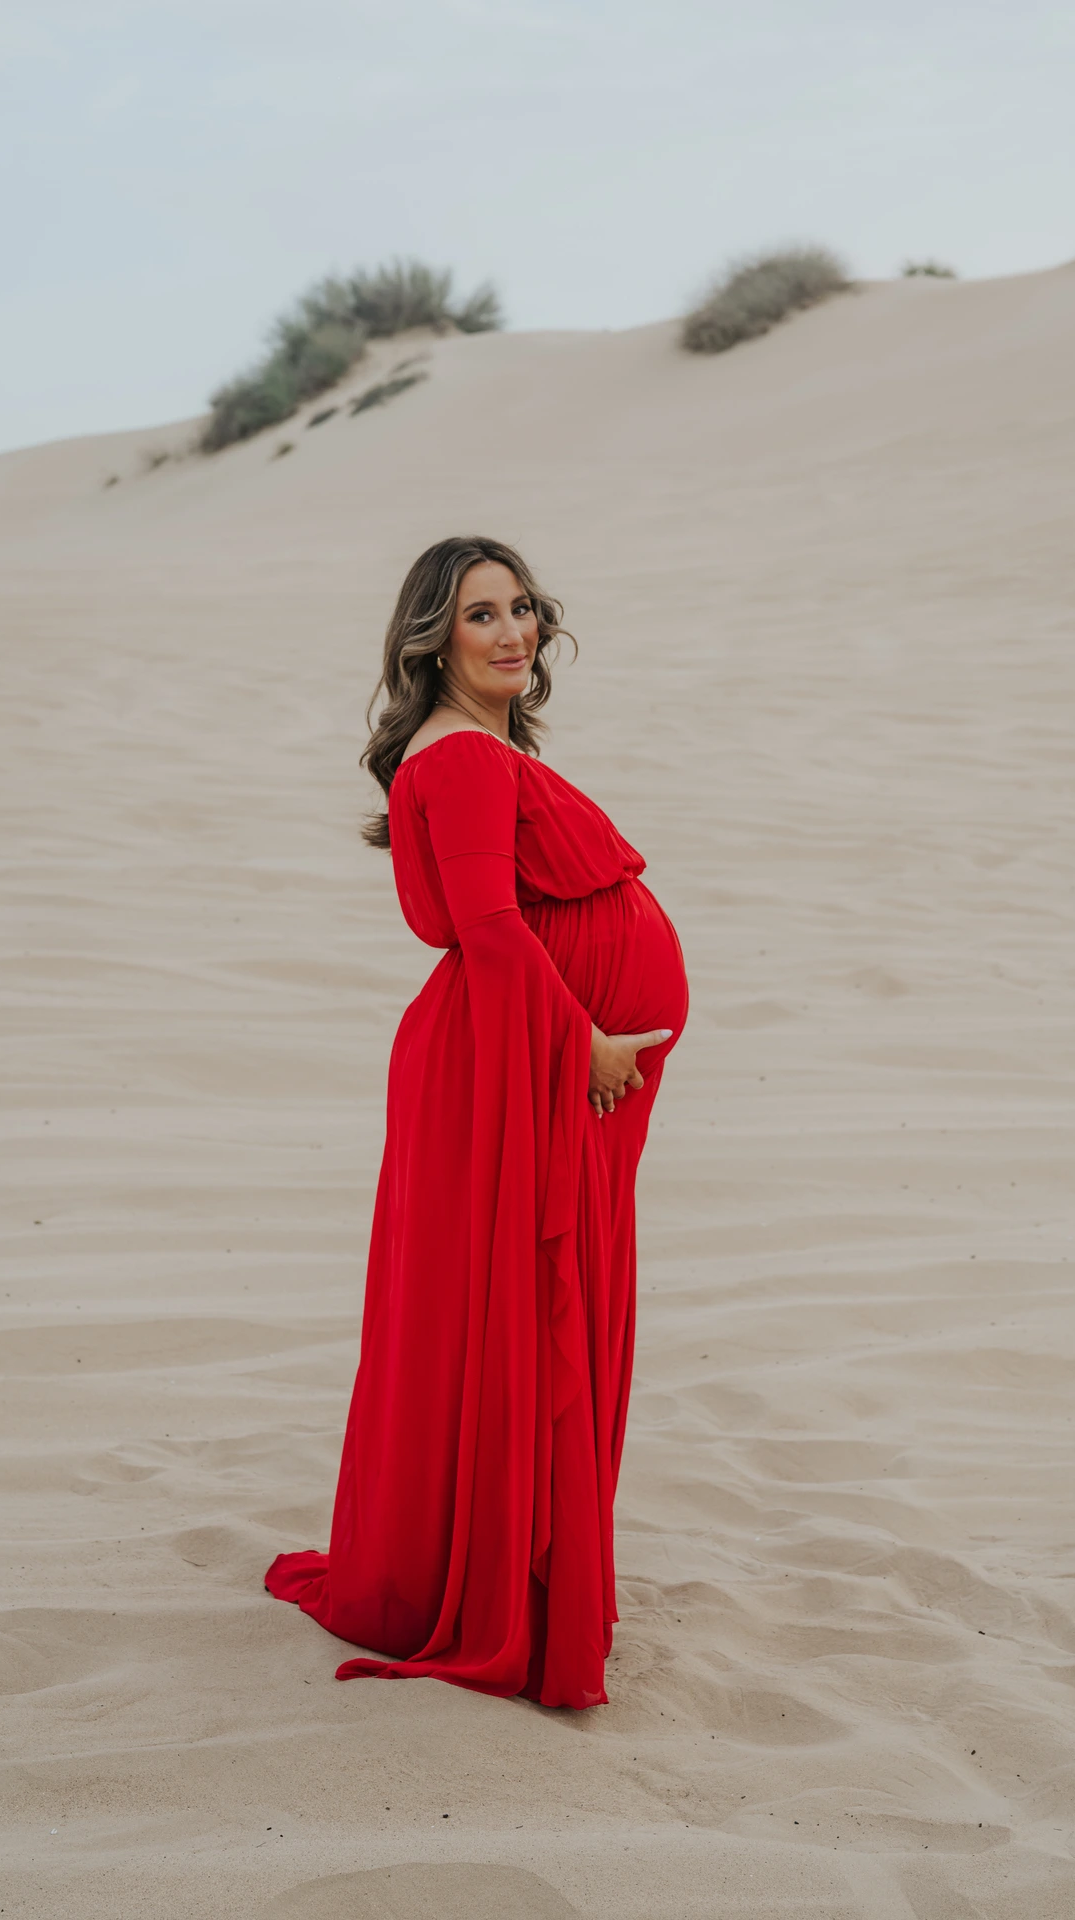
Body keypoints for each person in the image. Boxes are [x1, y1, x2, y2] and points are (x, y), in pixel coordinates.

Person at [263, 535, 688, 1708]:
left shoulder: (487, 748)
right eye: (477, 616)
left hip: (537, 1063)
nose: (511, 633)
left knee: (526, 1307)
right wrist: (586, 1047)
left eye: (521, 609)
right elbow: (492, 931)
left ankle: (534, 1561)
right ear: (430, 641)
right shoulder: (455, 760)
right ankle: (504, 1581)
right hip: (523, 1068)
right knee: (521, 1308)